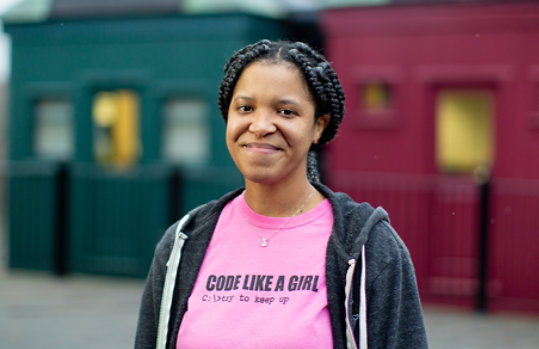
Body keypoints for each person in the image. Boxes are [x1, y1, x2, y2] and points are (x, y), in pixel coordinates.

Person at [135, 40, 428, 349]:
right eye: (245, 108)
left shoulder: (368, 248)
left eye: (286, 111)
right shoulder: (183, 242)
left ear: (318, 127)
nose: (260, 126)